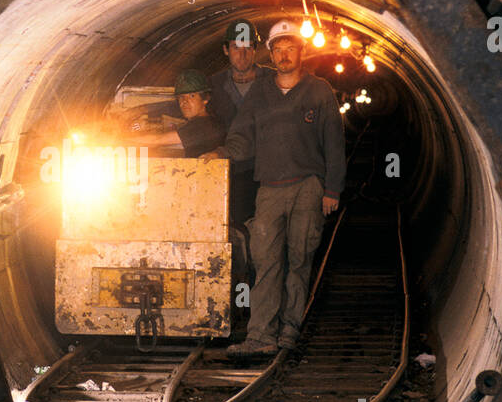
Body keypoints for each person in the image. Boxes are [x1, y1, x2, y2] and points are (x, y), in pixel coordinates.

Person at [204, 18, 346, 358]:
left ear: (302, 52)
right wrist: (222, 153)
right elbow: (243, 134)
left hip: (308, 187)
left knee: (298, 259)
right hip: (268, 187)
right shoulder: (261, 92)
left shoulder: (319, 90)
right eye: (278, 49)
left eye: (290, 48)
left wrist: (332, 190)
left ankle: (289, 329)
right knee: (266, 262)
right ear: (270, 53)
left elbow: (334, 143)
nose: (284, 55)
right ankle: (260, 335)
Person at [126, 18, 262, 226]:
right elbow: (180, 104)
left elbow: (161, 137)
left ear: (255, 49)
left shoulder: (271, 82)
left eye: (247, 47)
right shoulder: (214, 85)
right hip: (230, 171)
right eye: (235, 47)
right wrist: (141, 111)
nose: (241, 54)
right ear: (226, 50)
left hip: (263, 171)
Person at [123, 69, 224, 157]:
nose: (185, 101)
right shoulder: (210, 121)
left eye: (192, 96)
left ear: (205, 99)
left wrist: (120, 141)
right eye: (181, 97)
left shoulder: (202, 125)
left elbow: (157, 140)